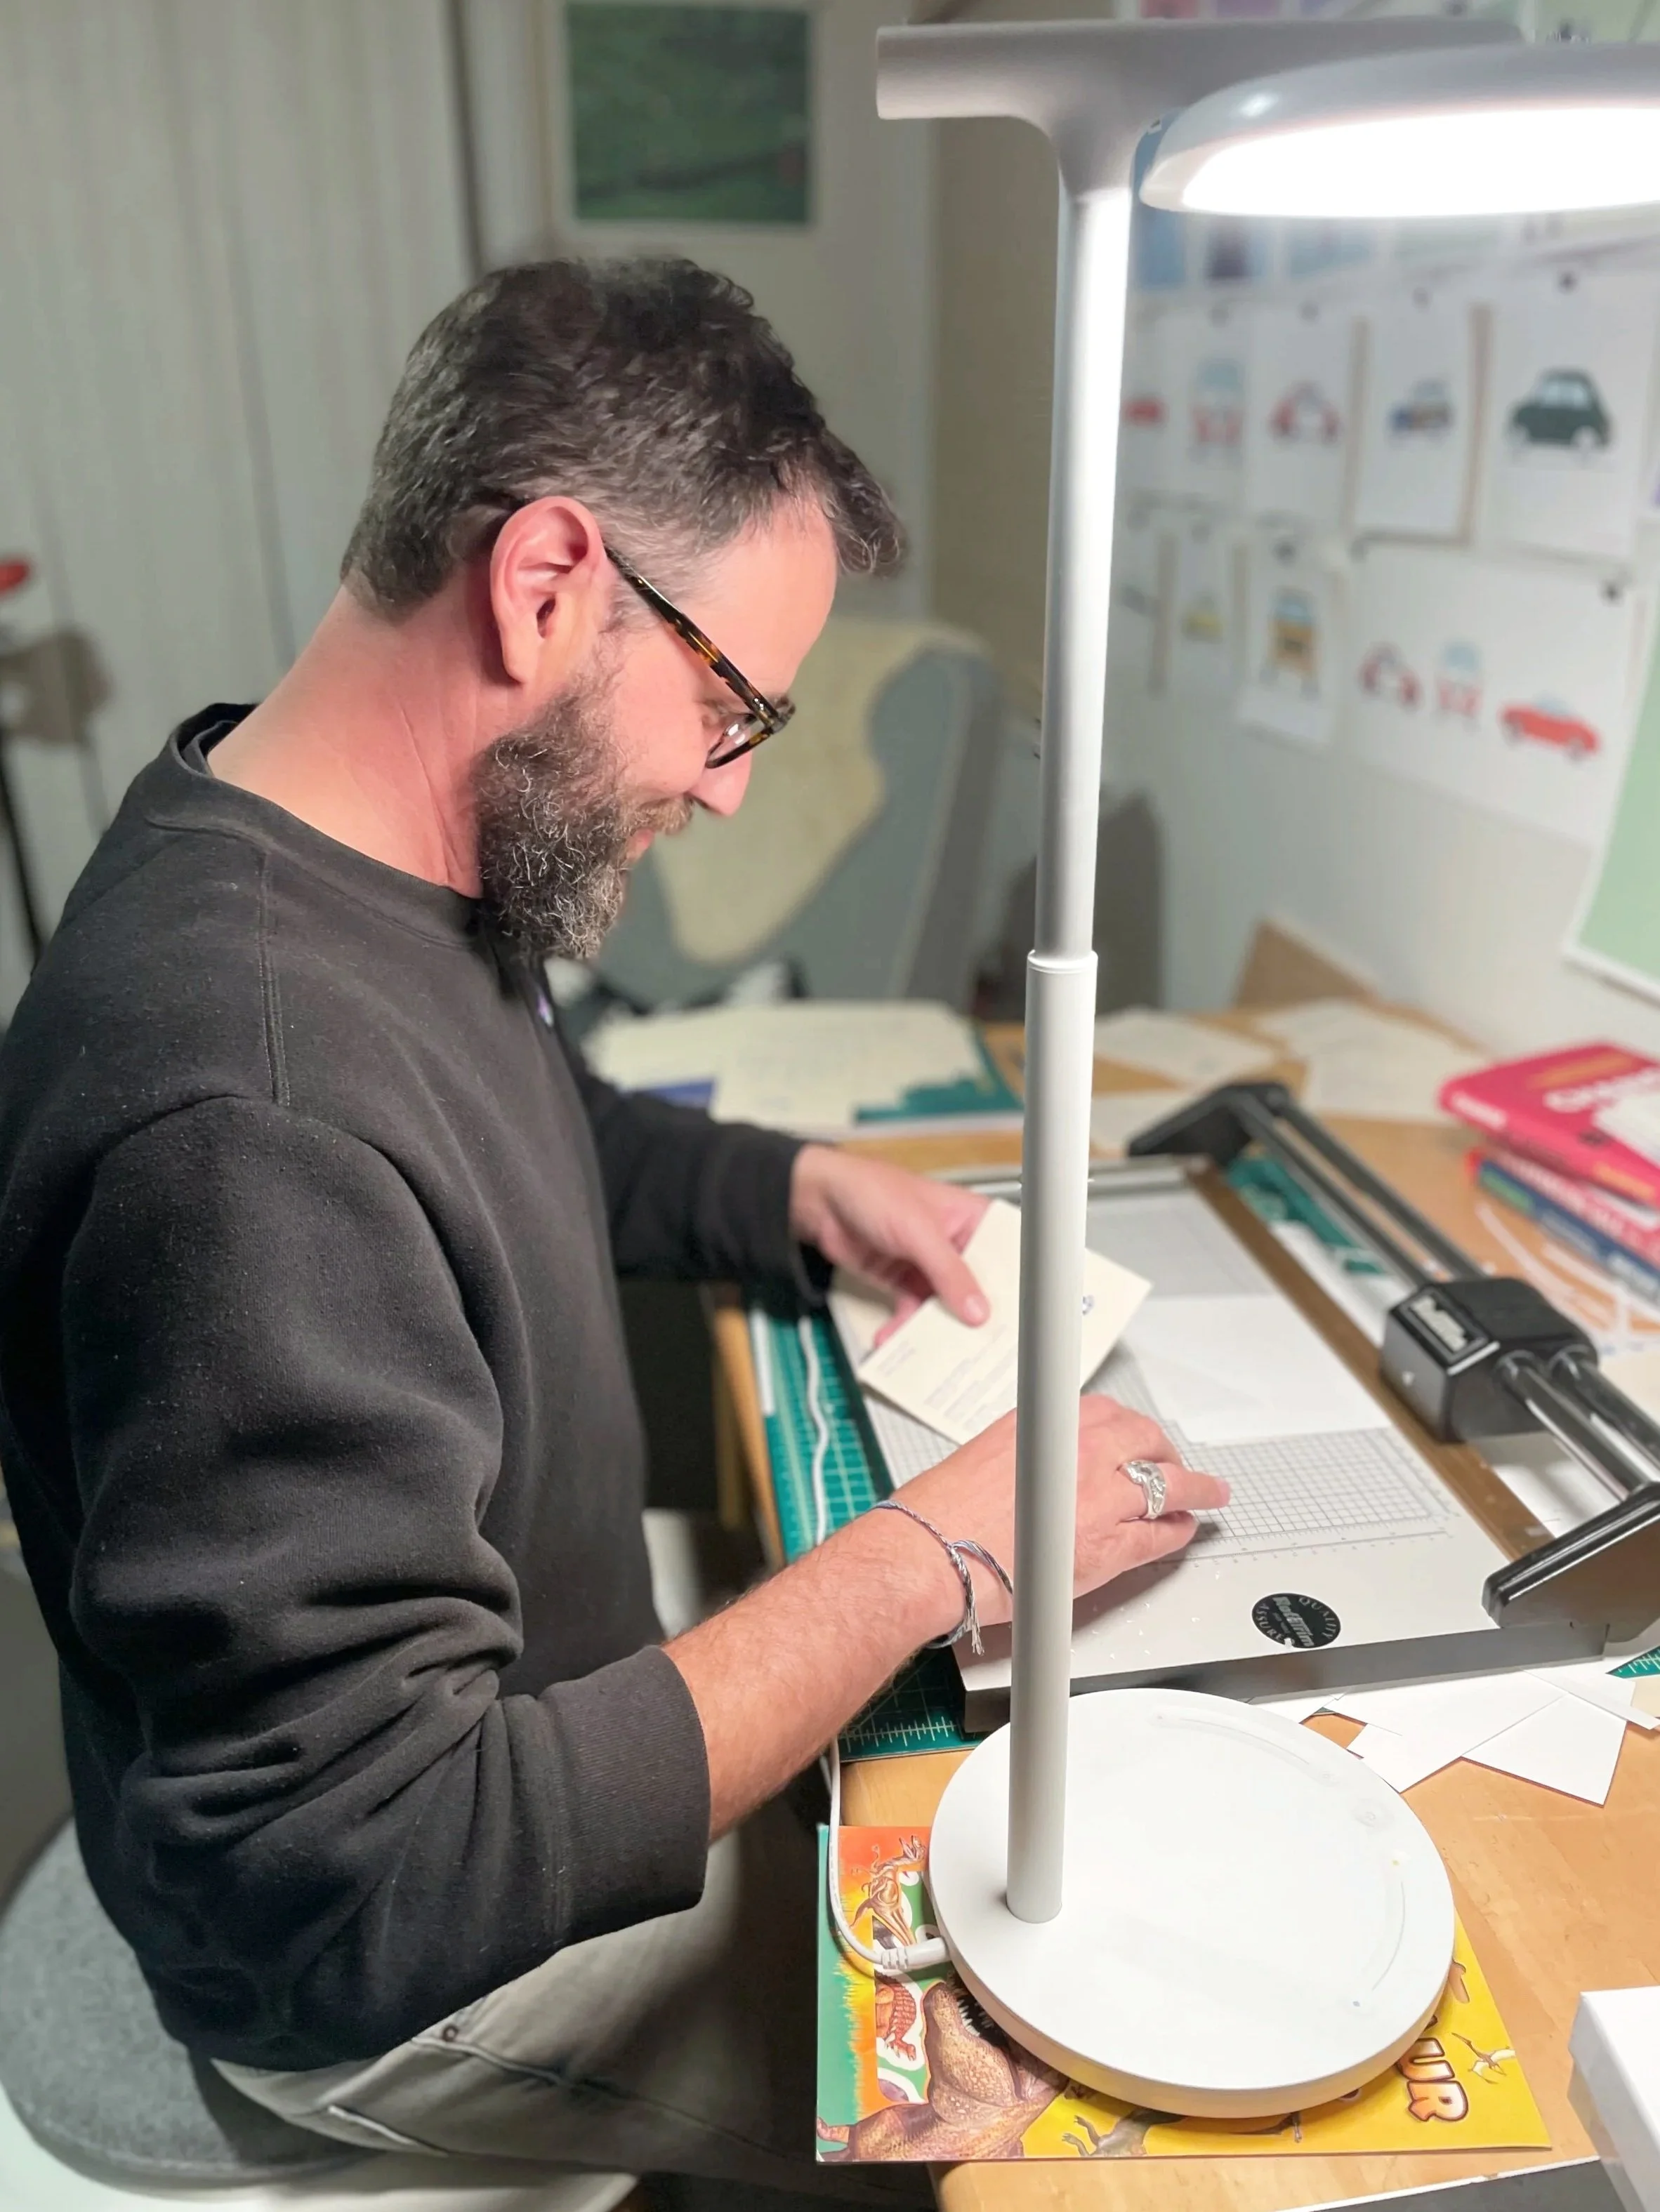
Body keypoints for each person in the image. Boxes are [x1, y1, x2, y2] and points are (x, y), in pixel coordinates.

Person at [0, 258, 1224, 2193]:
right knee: (1091, 2060)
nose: (729, 792)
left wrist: (785, 1187)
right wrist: (932, 1554)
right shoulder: (246, 1118)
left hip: (527, 1686)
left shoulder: (345, 851)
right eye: (732, 707)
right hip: (406, 1967)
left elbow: (507, 1125)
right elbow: (375, 1873)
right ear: (547, 583)